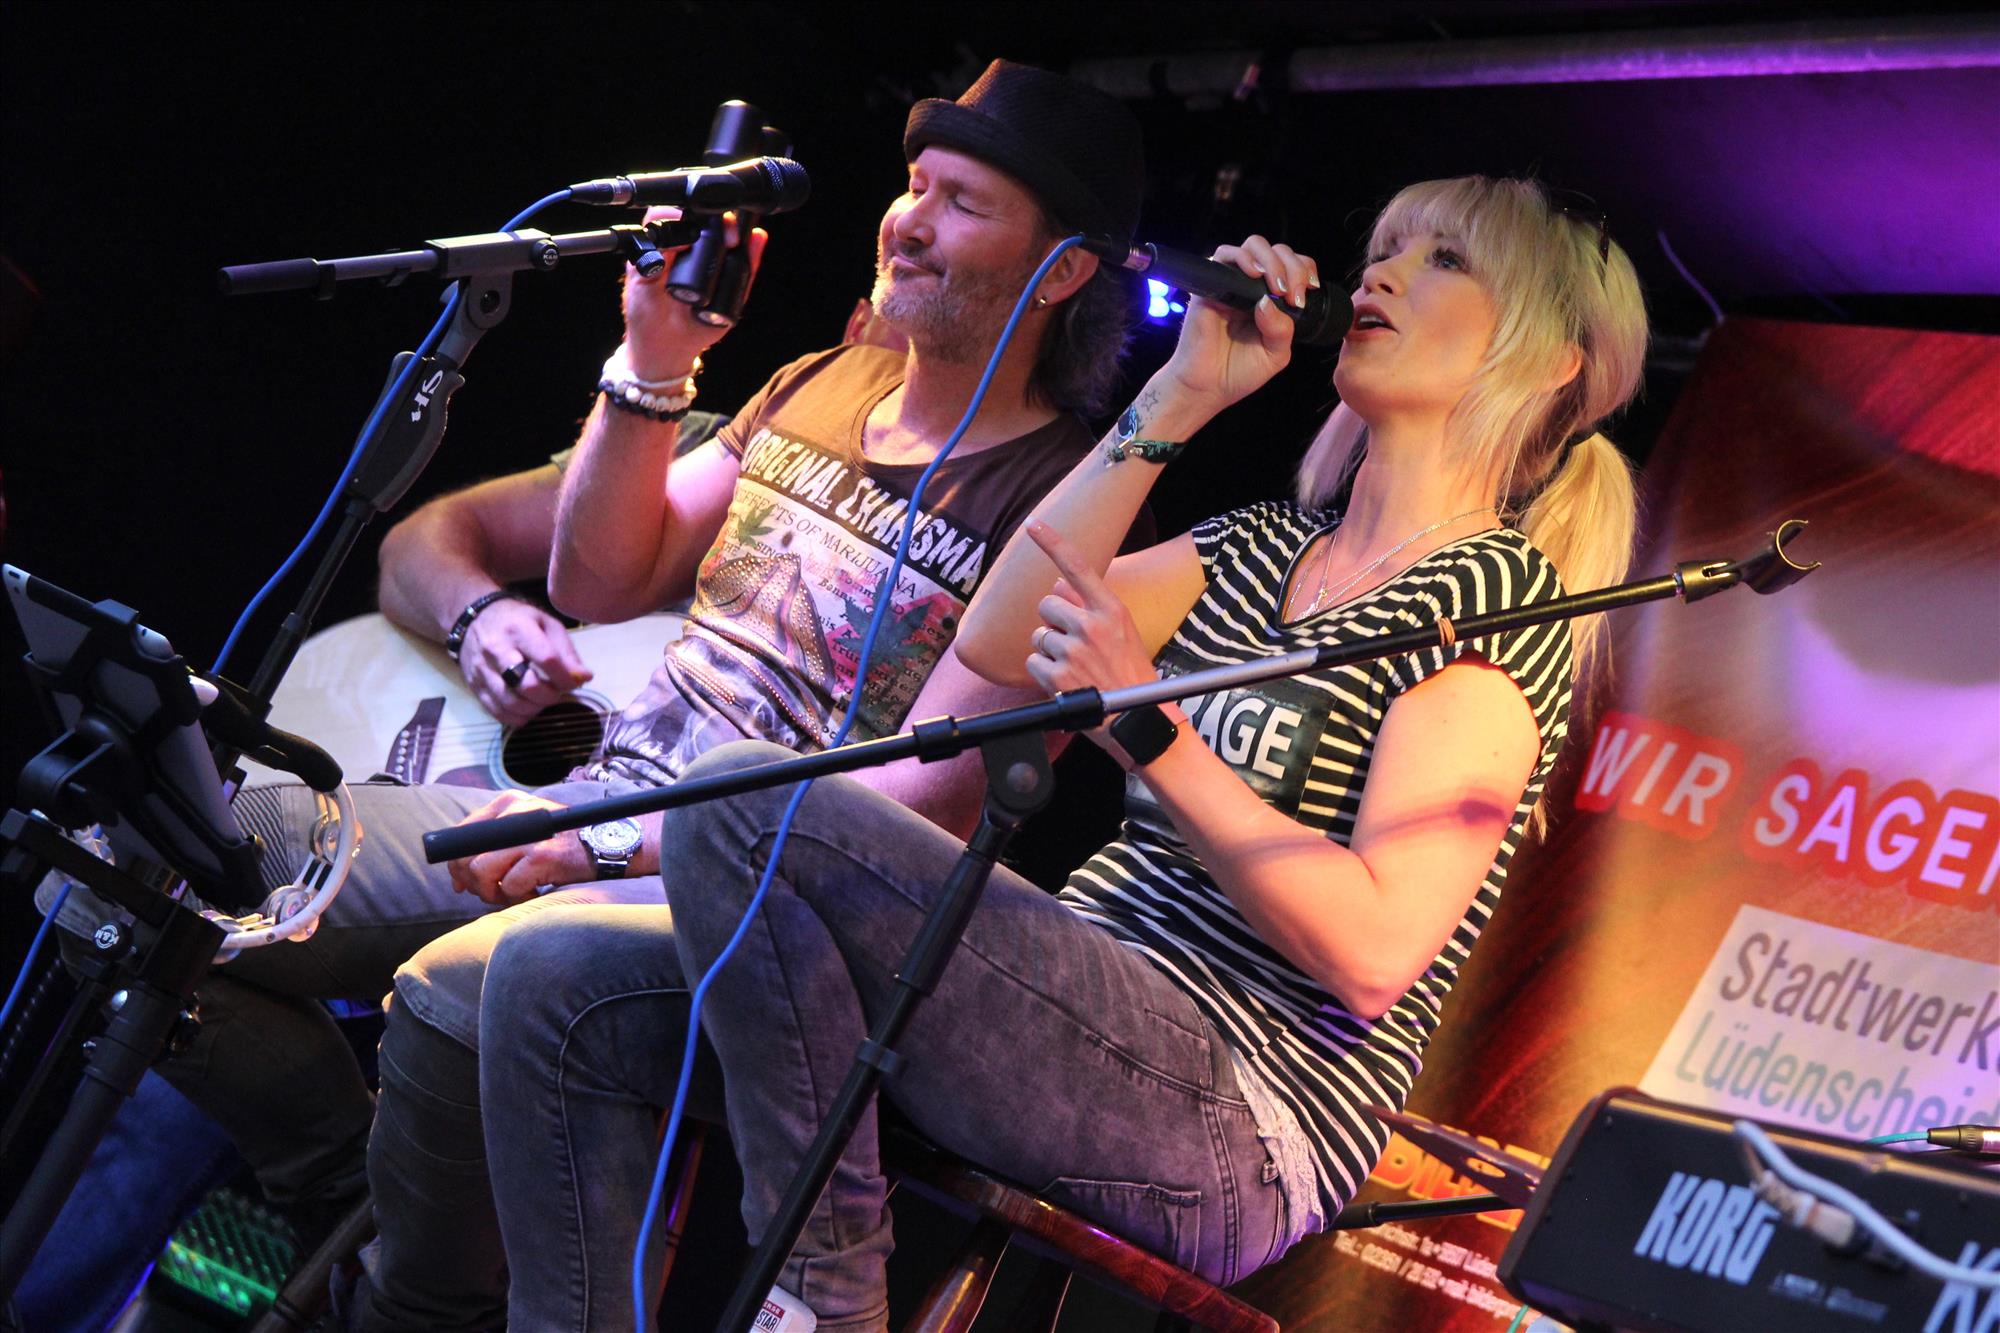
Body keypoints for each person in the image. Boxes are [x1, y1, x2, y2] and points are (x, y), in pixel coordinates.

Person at [32, 57, 1147, 1330]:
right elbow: (600, 576)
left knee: (455, 999)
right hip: (586, 801)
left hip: (738, 901)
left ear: (1060, 272)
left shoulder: (1065, 498)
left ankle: (409, 1281)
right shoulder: (817, 384)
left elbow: (921, 806)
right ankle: (352, 1182)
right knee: (131, 859)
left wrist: (608, 840)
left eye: (962, 201)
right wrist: (653, 359)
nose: (909, 219)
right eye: (914, 184)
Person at [472, 174, 1646, 1331]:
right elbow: (997, 637)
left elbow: (1374, 950)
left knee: (738, 801)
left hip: (1239, 1110)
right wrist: (1179, 394)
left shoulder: (1491, 599)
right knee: (547, 983)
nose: (1379, 276)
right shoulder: (1262, 544)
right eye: (1384, 247)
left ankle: (825, 1294)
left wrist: (1144, 722)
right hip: (1076, 1001)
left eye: (1443, 260)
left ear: (1550, 363)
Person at [376, 299, 904, 728]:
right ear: (857, 327)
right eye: (910, 338)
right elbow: (412, 548)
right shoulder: (681, 441)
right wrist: (477, 618)